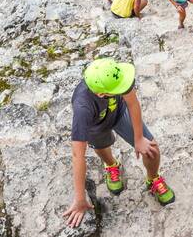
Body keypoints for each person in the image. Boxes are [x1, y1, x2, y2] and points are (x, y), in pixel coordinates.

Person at [63, 58, 174, 227]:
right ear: (101, 93)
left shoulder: (116, 75)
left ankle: (152, 178)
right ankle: (111, 165)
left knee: (152, 149)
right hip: (95, 126)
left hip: (120, 113)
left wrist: (138, 139)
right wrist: (79, 198)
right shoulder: (82, 107)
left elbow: (132, 102)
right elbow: (78, 155)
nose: (125, 87)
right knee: (101, 147)